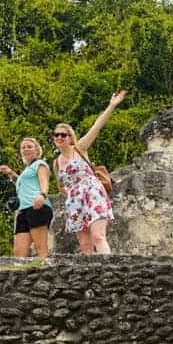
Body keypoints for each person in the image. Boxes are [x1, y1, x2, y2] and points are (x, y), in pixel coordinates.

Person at [53, 90, 127, 255]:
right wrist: (68, 193)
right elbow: (60, 184)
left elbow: (97, 126)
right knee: (85, 245)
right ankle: (91, 278)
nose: (59, 137)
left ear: (70, 137)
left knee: (98, 237)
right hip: (74, 200)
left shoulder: (79, 148)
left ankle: (108, 270)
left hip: (91, 191)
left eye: (63, 135)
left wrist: (111, 105)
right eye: (56, 134)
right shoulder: (56, 162)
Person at [0, 137, 52, 258]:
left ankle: (45, 273)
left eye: (29, 147)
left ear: (37, 151)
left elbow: (44, 181)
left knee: (40, 248)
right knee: (18, 253)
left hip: (37, 207)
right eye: (23, 147)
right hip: (23, 210)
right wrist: (10, 173)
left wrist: (42, 195)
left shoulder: (40, 164)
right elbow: (22, 182)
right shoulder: (26, 170)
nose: (26, 149)